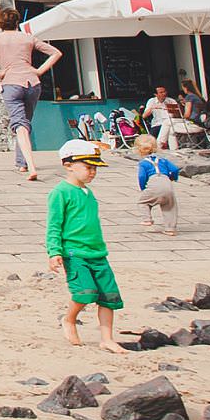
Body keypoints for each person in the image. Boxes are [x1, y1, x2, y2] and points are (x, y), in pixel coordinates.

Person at [46, 137, 124, 355]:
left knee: (109, 296)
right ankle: (69, 319)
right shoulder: (60, 192)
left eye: (95, 169)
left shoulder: (88, 193)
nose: (92, 173)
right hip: (74, 252)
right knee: (84, 292)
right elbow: (54, 225)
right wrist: (54, 252)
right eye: (88, 167)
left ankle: (107, 338)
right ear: (68, 165)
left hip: (97, 252)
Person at [0, 9, 62, 181]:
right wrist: (39, 71)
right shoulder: (27, 37)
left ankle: (30, 166)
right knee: (25, 123)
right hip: (32, 83)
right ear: (17, 22)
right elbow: (56, 53)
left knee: (20, 125)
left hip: (11, 84)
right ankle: (21, 162)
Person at [132, 132, 180, 235]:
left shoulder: (143, 163)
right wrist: (173, 178)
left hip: (154, 183)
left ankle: (147, 219)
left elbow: (142, 176)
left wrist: (143, 187)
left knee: (143, 202)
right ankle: (170, 229)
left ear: (139, 150)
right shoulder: (163, 160)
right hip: (167, 183)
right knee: (169, 206)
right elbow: (175, 169)